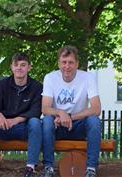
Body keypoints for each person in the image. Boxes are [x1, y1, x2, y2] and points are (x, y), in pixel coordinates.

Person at [41, 45, 102, 177]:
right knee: (46, 121)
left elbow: (97, 109)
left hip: (78, 125)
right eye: (63, 62)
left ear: (77, 64)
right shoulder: (50, 78)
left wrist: (70, 117)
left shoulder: (88, 78)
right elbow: (45, 108)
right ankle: (48, 168)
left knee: (94, 121)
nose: (67, 66)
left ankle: (91, 169)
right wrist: (61, 113)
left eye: (70, 62)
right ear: (58, 63)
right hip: (58, 125)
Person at [0, 52, 43, 177]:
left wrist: (16, 120)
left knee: (35, 123)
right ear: (11, 67)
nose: (19, 67)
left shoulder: (37, 87)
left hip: (23, 128)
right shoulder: (1, 85)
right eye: (16, 64)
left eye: (23, 65)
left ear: (29, 67)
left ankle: (30, 168)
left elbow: (36, 111)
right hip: (2, 127)